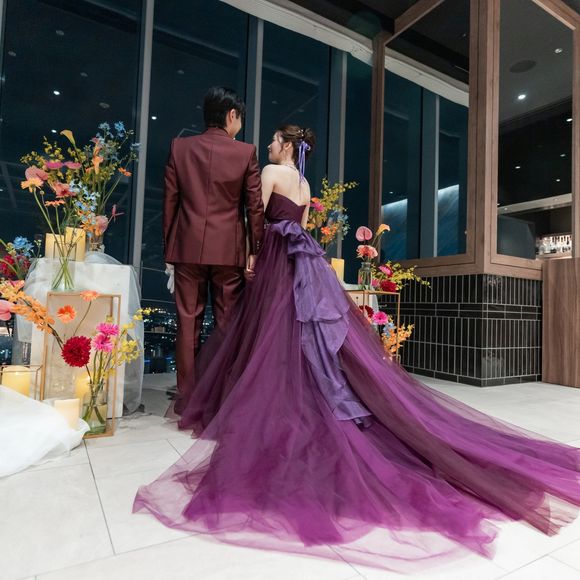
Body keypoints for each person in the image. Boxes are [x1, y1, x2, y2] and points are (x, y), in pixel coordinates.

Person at [136, 124, 580, 572]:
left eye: (273, 140)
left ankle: (274, 399)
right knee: (304, 331)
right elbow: (301, 225)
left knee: (275, 330)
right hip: (304, 258)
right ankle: (305, 391)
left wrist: (250, 257)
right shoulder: (304, 183)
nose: (268, 144)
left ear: (285, 146)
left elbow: (258, 222)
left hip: (275, 257)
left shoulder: (271, 172)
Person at [163, 87, 264, 414]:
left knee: (187, 324)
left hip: (186, 248)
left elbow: (170, 202)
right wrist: (255, 249)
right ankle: (224, 397)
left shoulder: (180, 148)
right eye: (240, 118)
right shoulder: (245, 153)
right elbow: (254, 207)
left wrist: (170, 248)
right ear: (231, 115)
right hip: (228, 252)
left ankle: (188, 400)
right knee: (227, 324)